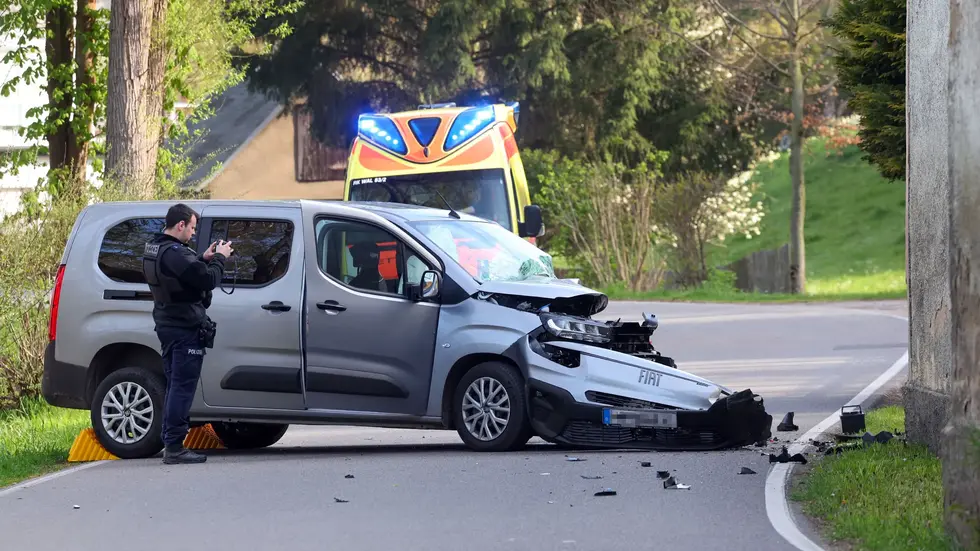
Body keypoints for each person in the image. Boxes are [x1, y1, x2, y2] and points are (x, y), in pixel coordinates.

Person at [142, 203, 233, 464]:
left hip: (168, 324)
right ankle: (174, 447)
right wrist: (220, 258)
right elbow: (208, 280)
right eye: (192, 228)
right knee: (182, 388)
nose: (193, 233)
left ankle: (171, 442)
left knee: (174, 385)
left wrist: (202, 258)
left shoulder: (155, 248)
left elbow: (180, 274)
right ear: (180, 225)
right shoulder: (176, 253)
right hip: (184, 328)